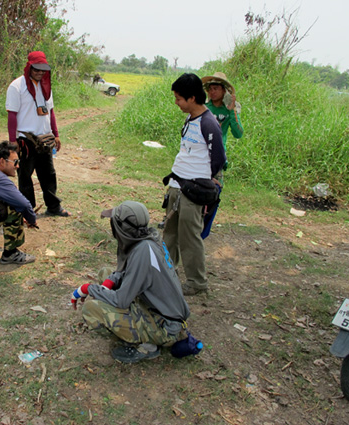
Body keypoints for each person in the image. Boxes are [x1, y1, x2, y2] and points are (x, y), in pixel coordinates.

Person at [70, 201, 191, 364]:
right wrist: (105, 287)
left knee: (92, 309)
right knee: (106, 273)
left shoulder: (142, 253)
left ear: (121, 227)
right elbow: (124, 272)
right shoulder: (149, 238)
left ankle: (148, 344)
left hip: (166, 326)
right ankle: (141, 330)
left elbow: (121, 300)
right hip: (157, 307)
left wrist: (88, 289)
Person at [162, 74, 226, 296]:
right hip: (177, 185)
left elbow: (218, 156)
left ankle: (197, 282)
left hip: (193, 190)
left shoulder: (209, 123)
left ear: (192, 98)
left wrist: (209, 178)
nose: (177, 102)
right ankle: (165, 274)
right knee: (170, 233)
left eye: (179, 99)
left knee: (189, 237)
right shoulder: (191, 119)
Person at [6, 51, 70, 217]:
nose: (40, 73)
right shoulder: (17, 87)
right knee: (25, 177)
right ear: (29, 67)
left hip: (45, 139)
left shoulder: (46, 87)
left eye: (43, 70)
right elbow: (12, 115)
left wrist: (55, 134)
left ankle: (53, 207)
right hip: (25, 140)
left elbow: (51, 112)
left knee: (48, 174)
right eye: (37, 69)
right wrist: (13, 141)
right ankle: (28, 210)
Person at [202, 71, 243, 173]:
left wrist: (232, 110)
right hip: (200, 154)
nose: (212, 92)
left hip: (217, 157)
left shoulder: (228, 111)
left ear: (224, 91)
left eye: (216, 89)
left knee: (216, 187)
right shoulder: (203, 108)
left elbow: (238, 133)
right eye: (210, 89)